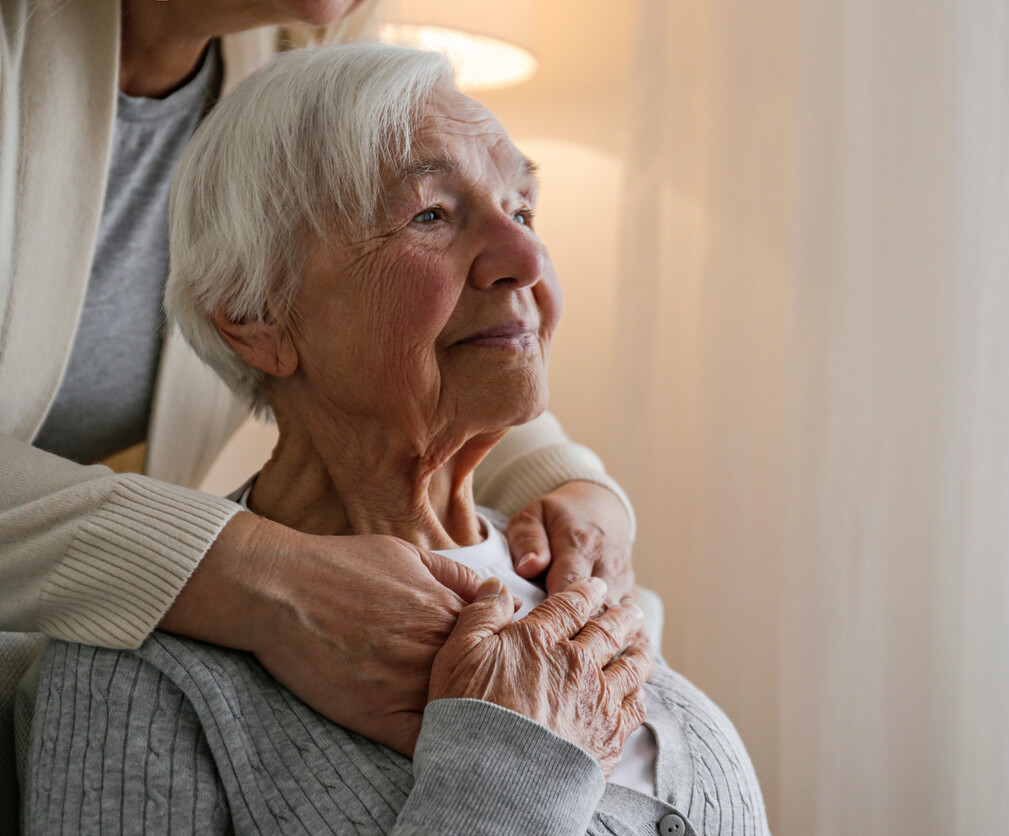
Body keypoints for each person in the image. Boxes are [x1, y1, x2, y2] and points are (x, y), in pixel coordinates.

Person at [23, 43, 769, 834]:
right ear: (256, 317)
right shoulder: (138, 671)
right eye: (430, 215)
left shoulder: (585, 586)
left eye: (522, 210)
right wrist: (510, 771)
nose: (525, 258)